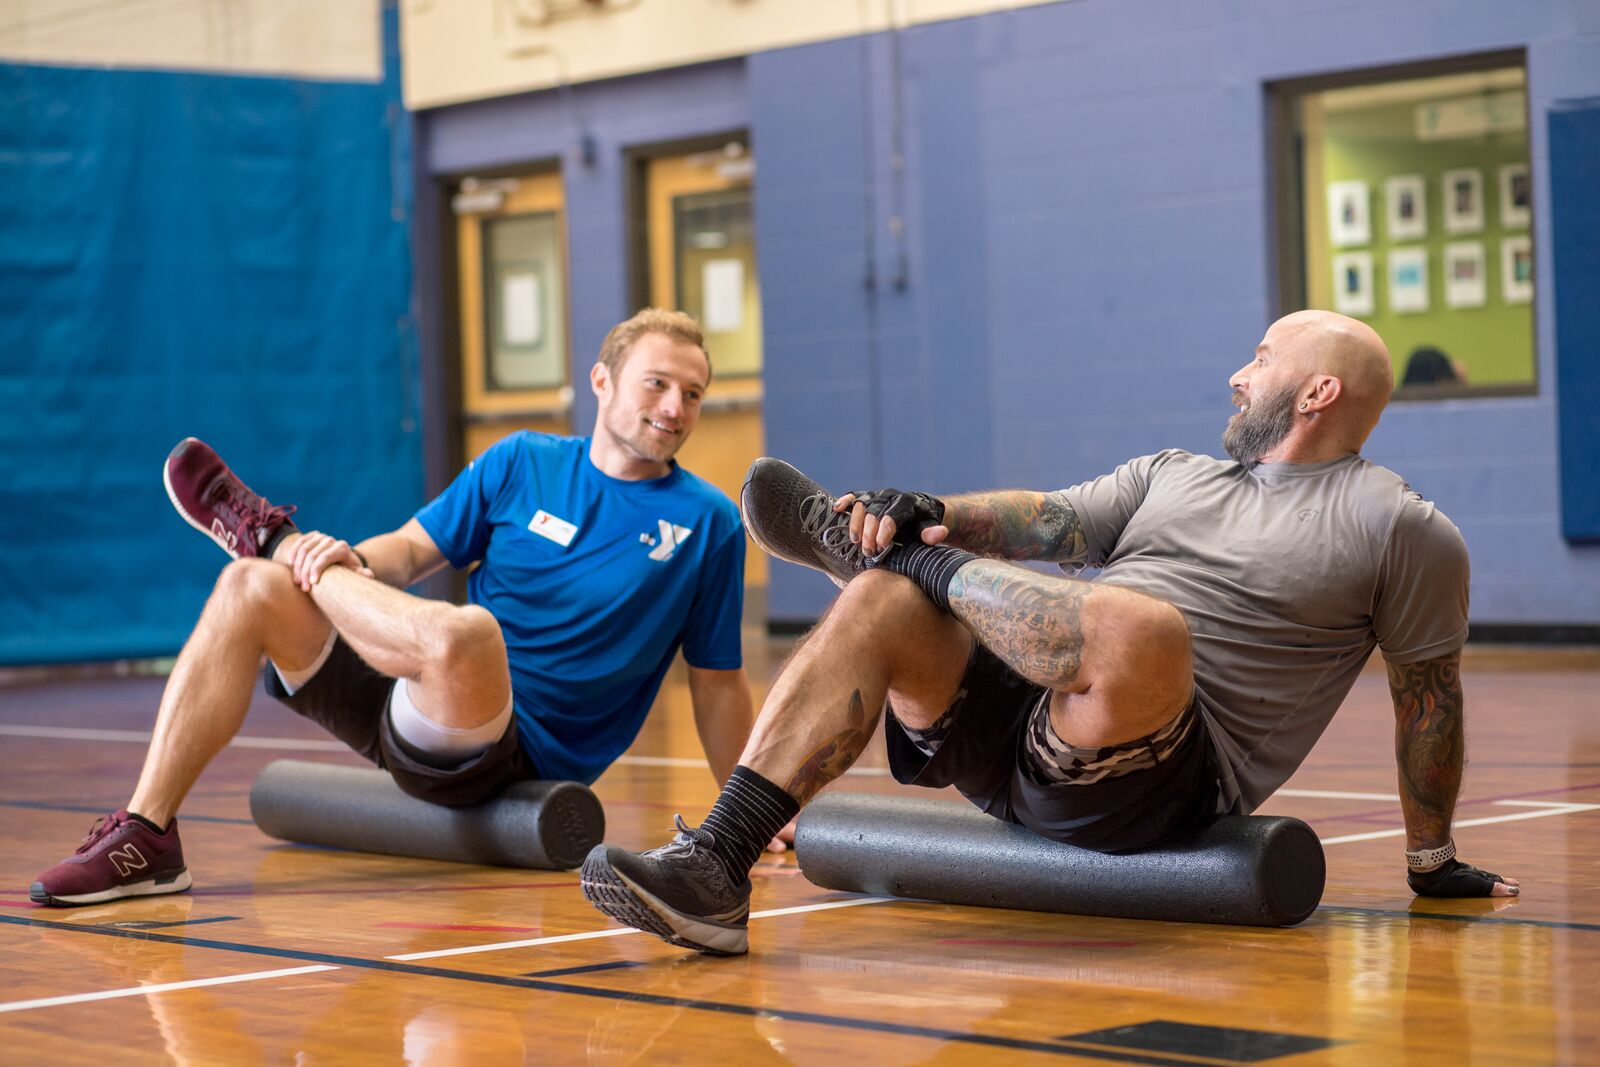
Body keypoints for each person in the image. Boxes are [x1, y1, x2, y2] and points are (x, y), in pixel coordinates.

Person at [580, 309, 1518, 957]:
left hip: (1145, 780)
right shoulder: (1172, 472)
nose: (1238, 373)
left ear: (1315, 393)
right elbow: (1047, 519)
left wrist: (1430, 860)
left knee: (1143, 625)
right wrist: (934, 509)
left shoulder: (1404, 528)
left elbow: (1426, 696)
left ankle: (910, 566)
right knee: (878, 608)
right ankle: (714, 867)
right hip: (1017, 714)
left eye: (1260, 357)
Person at [32, 308, 760, 906]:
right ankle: (147, 834)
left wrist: (749, 819)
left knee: (471, 632)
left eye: (693, 394)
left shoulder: (707, 523)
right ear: (602, 381)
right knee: (246, 589)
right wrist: (342, 557)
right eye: (658, 383)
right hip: (409, 701)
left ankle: (269, 536)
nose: (675, 408)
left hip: (513, 756)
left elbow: (718, 680)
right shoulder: (521, 461)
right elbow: (408, 552)